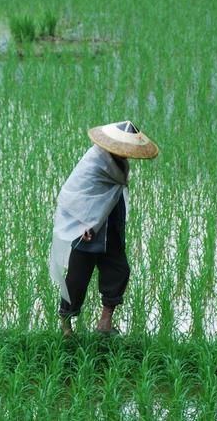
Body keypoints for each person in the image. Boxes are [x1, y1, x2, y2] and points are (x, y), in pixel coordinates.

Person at [48, 120, 159, 337]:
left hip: (112, 225)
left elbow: (110, 194)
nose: (126, 154)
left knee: (118, 271)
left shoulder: (117, 163)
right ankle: (65, 326)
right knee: (77, 277)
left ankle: (105, 323)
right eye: (124, 150)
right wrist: (83, 222)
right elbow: (74, 194)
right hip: (87, 229)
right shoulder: (94, 162)